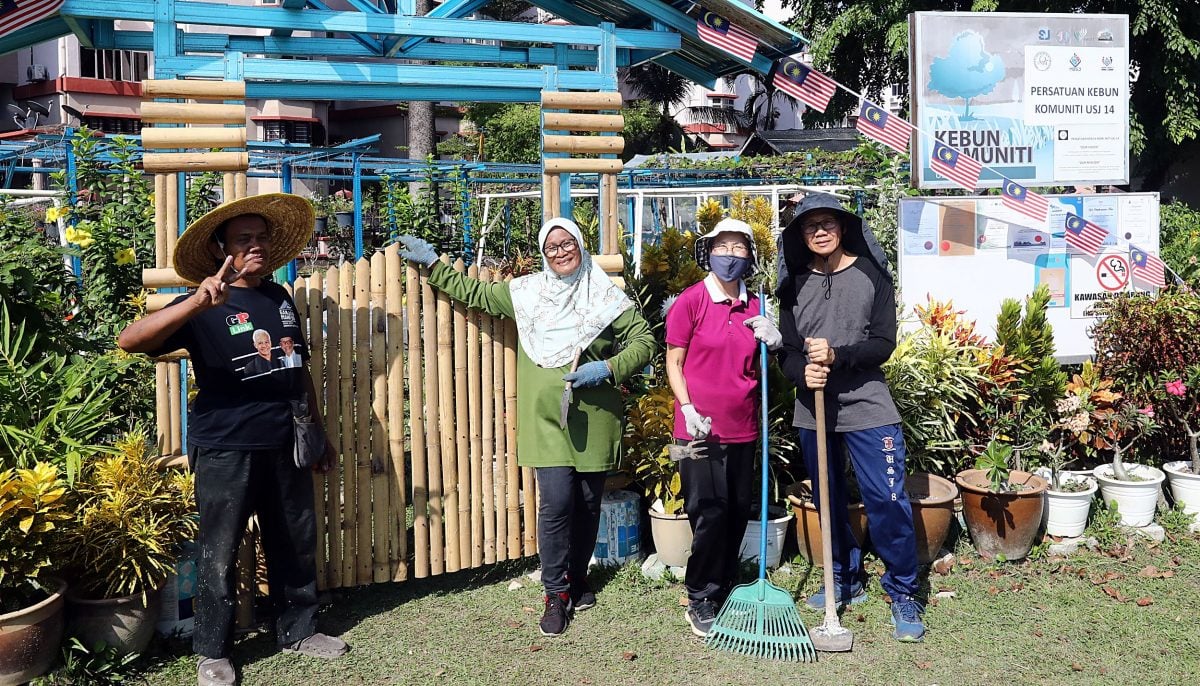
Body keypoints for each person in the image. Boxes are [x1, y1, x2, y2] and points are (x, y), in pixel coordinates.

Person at [117, 194, 349, 686]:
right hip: (225, 446)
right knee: (220, 550)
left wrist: (318, 431)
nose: (256, 246)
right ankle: (212, 651)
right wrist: (198, 301)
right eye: (244, 240)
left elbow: (297, 368)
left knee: (294, 541)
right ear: (222, 247)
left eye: (262, 238)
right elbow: (129, 341)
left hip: (285, 441)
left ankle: (299, 629)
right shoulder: (203, 302)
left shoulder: (279, 298)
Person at [396, 219, 654, 637]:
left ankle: (577, 578)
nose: (559, 252)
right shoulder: (528, 293)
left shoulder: (606, 295)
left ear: (580, 244)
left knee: (588, 505)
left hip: (595, 419)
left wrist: (607, 368)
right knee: (555, 505)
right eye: (550, 247)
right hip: (545, 420)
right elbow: (475, 294)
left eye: (566, 243)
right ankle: (555, 593)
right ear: (543, 253)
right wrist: (433, 264)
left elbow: (644, 342)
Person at [775, 193, 925, 643]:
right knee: (828, 498)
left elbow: (883, 343)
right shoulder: (793, 283)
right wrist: (803, 371)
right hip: (813, 407)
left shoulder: (871, 275)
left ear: (843, 228)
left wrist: (837, 356)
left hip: (867, 404)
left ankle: (903, 589)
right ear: (800, 235)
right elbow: (786, 351)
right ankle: (843, 575)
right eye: (809, 226)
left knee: (887, 497)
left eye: (828, 223)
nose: (820, 231)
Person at [663, 218, 782, 637]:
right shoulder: (691, 301)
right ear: (708, 251)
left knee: (734, 510)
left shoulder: (757, 305)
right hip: (697, 430)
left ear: (750, 256)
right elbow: (673, 363)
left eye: (739, 248)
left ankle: (726, 582)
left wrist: (776, 338)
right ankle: (700, 594)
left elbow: (765, 364)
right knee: (708, 512)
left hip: (743, 427)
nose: (730, 256)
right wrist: (689, 407)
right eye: (722, 247)